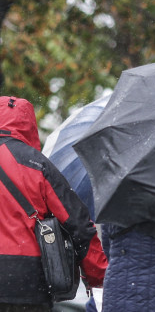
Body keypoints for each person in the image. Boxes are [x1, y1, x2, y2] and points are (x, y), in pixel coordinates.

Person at [0, 96, 107, 311]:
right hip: (28, 284)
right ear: (28, 123)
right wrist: (99, 276)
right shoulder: (36, 164)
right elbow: (77, 223)